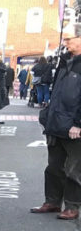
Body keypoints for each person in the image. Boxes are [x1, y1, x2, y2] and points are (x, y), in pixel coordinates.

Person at [31, 23, 81, 220]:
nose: (65, 42)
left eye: (69, 39)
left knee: (74, 168)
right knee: (53, 166)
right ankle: (52, 201)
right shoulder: (64, 61)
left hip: (73, 126)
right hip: (56, 123)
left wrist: (78, 123)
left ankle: (72, 206)